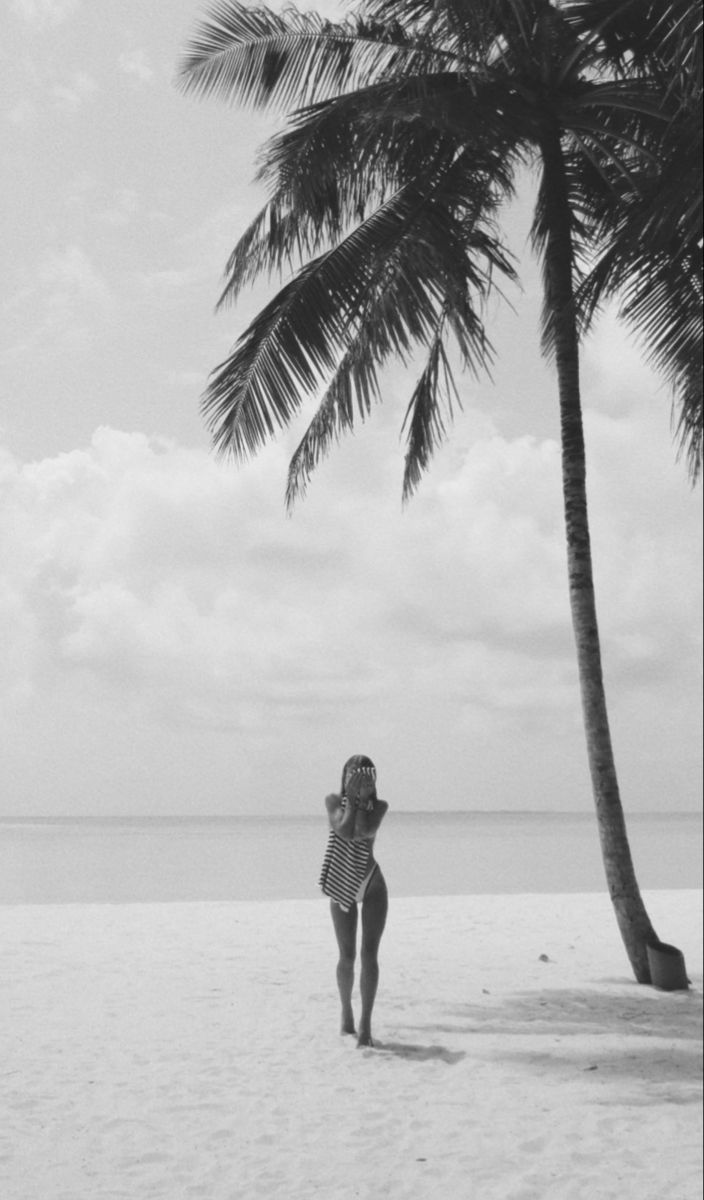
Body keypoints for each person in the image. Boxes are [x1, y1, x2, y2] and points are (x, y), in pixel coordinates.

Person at [318, 754, 389, 1047]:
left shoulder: (380, 807)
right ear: (345, 777)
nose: (362, 781)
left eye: (366, 776)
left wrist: (361, 800)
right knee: (346, 957)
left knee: (368, 954)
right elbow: (343, 831)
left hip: (371, 882)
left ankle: (365, 1024)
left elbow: (362, 832)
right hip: (341, 881)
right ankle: (346, 1013)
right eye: (355, 775)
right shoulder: (333, 802)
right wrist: (350, 796)